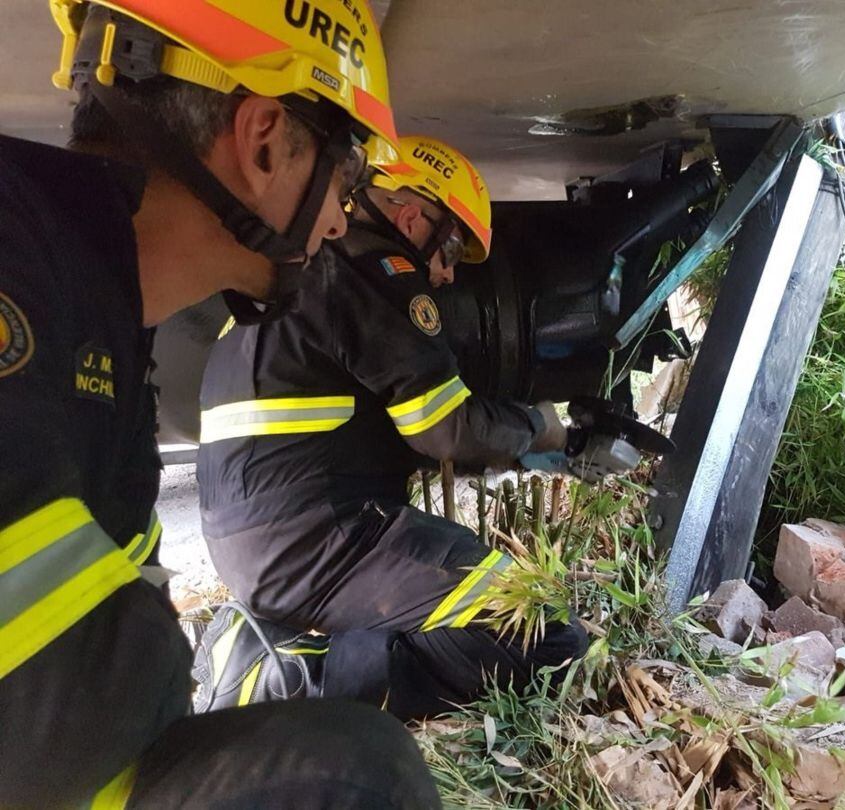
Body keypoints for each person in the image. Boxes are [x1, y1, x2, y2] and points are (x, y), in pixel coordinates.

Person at [0, 1, 440, 807]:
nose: (341, 219)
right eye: (344, 177)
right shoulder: (18, 259)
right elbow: (45, 718)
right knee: (353, 774)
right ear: (264, 142)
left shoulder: (99, 325)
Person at [194, 136, 587, 720]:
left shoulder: (306, 273)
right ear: (410, 217)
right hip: (320, 537)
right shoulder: (376, 271)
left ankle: (281, 640)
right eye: (450, 250)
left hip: (266, 540)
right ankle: (280, 682)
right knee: (545, 633)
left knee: (490, 617)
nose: (449, 277)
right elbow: (445, 429)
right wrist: (540, 427)